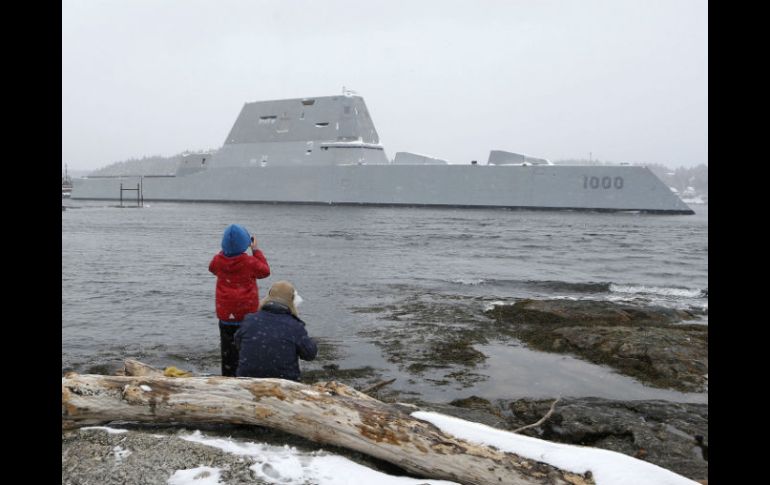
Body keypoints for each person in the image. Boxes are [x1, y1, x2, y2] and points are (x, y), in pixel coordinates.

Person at [209, 224, 270, 376]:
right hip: (246, 315)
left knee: (228, 351)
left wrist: (226, 252)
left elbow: (212, 268)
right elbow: (265, 271)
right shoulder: (249, 262)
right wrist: (255, 250)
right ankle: (246, 377)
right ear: (246, 243)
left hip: (226, 316)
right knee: (247, 350)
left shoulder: (218, 260)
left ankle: (228, 376)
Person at [234, 280, 317, 381]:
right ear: (292, 301)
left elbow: (238, 343)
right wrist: (312, 342)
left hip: (246, 379)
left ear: (269, 297)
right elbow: (309, 355)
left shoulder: (250, 320)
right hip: (284, 381)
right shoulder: (295, 326)